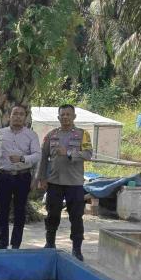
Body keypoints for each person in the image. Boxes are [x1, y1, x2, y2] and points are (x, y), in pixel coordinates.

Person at [37, 104, 92, 261]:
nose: (65, 117)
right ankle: (50, 243)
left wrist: (68, 153)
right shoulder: (51, 135)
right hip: (54, 182)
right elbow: (43, 158)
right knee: (52, 214)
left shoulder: (83, 134)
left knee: (76, 217)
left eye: (68, 114)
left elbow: (88, 154)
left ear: (74, 117)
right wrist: (41, 178)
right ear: (58, 117)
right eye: (63, 114)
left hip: (74, 183)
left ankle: (76, 249)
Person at [0, 105, 41, 249]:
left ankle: (16, 244)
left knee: (20, 212)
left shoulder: (31, 135)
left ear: (25, 117)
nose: (18, 116)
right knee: (3, 212)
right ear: (9, 116)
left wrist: (22, 159)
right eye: (15, 114)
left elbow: (37, 155)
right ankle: (2, 243)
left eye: (21, 114)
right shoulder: (0, 133)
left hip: (22, 177)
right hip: (3, 176)